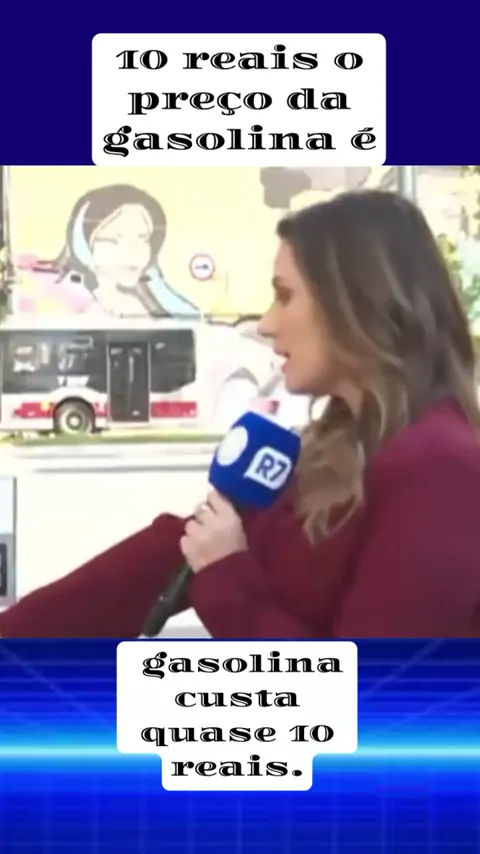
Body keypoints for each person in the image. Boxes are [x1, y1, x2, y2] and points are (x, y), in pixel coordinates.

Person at [2, 189, 480, 639]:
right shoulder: (333, 450)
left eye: (285, 296)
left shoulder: (441, 469)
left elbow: (374, 690)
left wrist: (227, 577)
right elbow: (174, 552)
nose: (267, 324)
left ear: (356, 303)